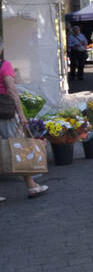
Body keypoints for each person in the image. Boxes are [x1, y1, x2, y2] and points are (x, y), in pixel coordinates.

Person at [0, 50, 48, 199]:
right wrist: (21, 115)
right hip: (5, 113)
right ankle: (31, 186)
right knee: (19, 147)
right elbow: (12, 90)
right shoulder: (4, 65)